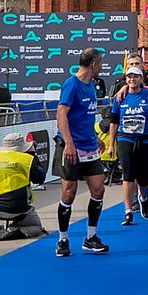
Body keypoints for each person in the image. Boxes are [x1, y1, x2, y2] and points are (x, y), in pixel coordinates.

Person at [55, 48, 110, 257]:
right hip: (71, 147)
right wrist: (68, 143)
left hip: (89, 146)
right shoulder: (72, 84)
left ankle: (91, 237)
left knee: (98, 190)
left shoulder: (91, 86)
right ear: (94, 64)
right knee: (69, 193)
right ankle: (62, 239)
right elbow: (61, 114)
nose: (102, 66)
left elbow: (84, 116)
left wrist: (95, 138)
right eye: (101, 63)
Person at [107, 64, 148, 225]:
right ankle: (128, 210)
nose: (132, 79)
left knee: (143, 176)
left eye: (135, 77)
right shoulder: (120, 97)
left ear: (141, 79)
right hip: (126, 138)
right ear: (126, 79)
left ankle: (144, 198)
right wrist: (111, 144)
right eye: (129, 77)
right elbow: (114, 122)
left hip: (145, 138)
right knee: (128, 174)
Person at [0, 133, 47, 240]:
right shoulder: (27, 159)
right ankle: (17, 230)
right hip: (18, 210)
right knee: (36, 227)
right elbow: (40, 179)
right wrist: (33, 156)